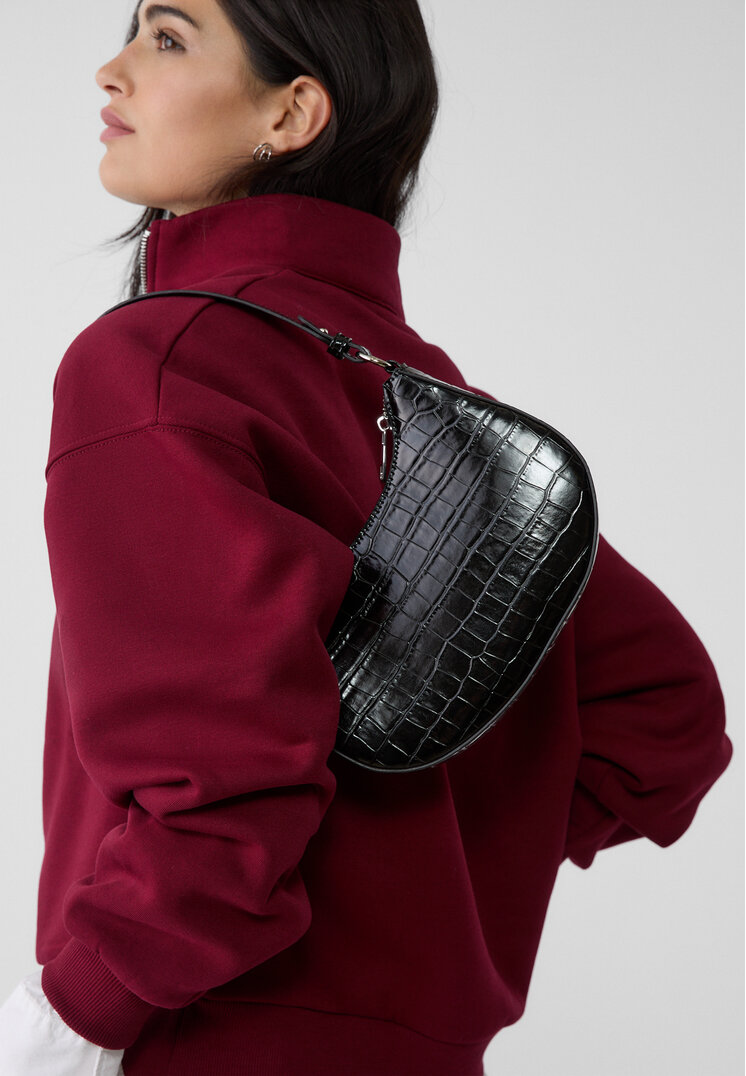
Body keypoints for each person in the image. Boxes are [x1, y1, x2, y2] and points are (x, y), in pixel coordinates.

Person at [0, 0, 733, 1073]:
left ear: (292, 113)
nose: (110, 73)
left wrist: (70, 1016)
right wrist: (440, 863)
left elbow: (221, 788)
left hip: (209, 1038)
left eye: (167, 37)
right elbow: (666, 711)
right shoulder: (434, 401)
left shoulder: (158, 363)